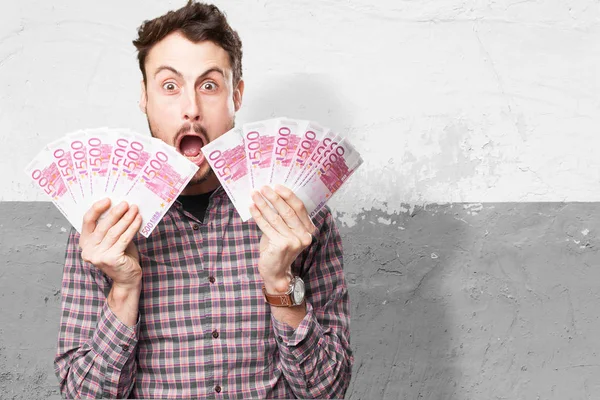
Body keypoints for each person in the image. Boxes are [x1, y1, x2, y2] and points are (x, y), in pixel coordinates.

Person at [53, 1, 353, 398]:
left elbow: (327, 390)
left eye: (209, 85)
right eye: (170, 86)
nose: (191, 109)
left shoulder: (299, 218)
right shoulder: (100, 230)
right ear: (144, 96)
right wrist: (123, 289)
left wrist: (281, 284)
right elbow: (83, 394)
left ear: (237, 95)